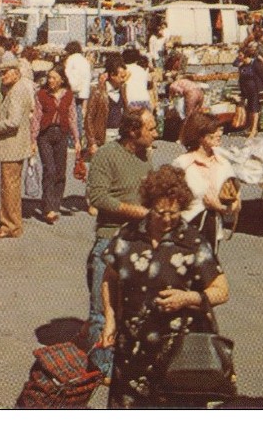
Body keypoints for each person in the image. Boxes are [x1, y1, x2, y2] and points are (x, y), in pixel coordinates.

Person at [99, 164, 229, 408]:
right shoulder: (127, 237)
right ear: (150, 205)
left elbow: (222, 290)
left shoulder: (192, 242)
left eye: (174, 213)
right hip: (131, 350)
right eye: (160, 212)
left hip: (177, 354)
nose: (167, 219)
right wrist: (110, 318)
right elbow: (110, 278)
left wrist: (187, 298)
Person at [85, 107, 159, 380]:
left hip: (139, 242)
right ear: (132, 131)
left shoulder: (144, 156)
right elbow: (98, 198)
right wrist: (137, 212)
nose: (155, 133)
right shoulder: (106, 155)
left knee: (134, 307)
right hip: (110, 239)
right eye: (150, 129)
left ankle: (126, 361)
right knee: (102, 309)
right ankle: (103, 367)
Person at [172, 113, 241, 254]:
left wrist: (220, 207)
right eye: (214, 131)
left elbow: (237, 203)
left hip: (214, 234)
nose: (219, 133)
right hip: (185, 234)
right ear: (200, 135)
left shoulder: (224, 164)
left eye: (220, 129)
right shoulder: (182, 164)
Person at [0, 53, 36, 239]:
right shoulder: (19, 88)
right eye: (1, 73)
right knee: (12, 186)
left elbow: (13, 122)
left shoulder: (16, 92)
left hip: (12, 145)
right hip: (17, 144)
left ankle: (9, 225)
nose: (3, 76)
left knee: (8, 187)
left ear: (16, 73)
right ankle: (14, 224)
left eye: (5, 72)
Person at [36, 66, 81, 224]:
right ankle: (47, 208)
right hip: (45, 135)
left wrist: (77, 140)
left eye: (54, 78)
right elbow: (36, 117)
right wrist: (31, 140)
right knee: (50, 169)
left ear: (62, 79)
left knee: (60, 171)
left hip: (62, 134)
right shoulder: (41, 94)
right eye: (49, 77)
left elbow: (72, 118)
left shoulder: (68, 95)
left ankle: (55, 204)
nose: (50, 80)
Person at [84, 55, 129, 157]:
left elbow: (126, 112)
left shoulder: (123, 90)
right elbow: (89, 118)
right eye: (121, 76)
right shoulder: (98, 92)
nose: (123, 79)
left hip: (119, 135)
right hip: (104, 136)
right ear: (112, 75)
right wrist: (92, 143)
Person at [235, 45, 263, 138]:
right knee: (249, 109)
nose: (239, 57)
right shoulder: (241, 66)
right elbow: (241, 80)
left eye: (240, 55)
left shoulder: (255, 64)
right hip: (247, 90)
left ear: (246, 55)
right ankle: (250, 127)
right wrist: (242, 93)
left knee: (255, 110)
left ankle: (254, 130)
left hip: (255, 90)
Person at [64, 41, 92, 138]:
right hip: (81, 92)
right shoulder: (85, 61)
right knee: (78, 117)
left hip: (71, 90)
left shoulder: (71, 59)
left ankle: (70, 139)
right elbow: (87, 80)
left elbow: (66, 75)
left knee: (69, 116)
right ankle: (77, 138)